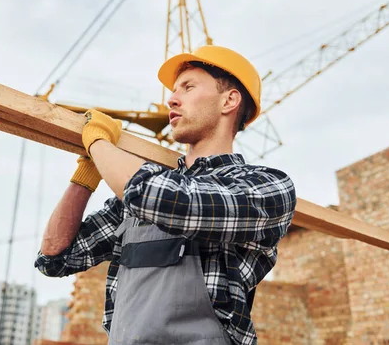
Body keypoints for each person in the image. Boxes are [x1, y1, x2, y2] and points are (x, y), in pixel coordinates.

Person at [34, 45, 297, 345]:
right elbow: (55, 257)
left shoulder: (265, 187)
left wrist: (99, 144)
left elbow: (171, 201)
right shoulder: (138, 199)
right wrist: (87, 173)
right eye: (174, 90)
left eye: (188, 87)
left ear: (230, 100)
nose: (171, 99)